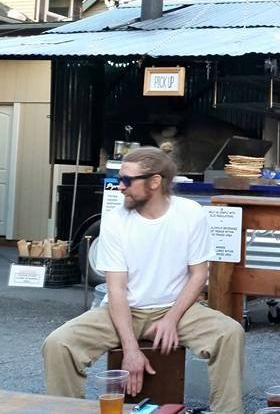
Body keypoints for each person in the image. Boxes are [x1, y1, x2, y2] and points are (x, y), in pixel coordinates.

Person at [42, 147, 245, 413]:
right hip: (124, 309)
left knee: (230, 334)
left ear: (155, 181)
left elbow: (199, 275)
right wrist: (131, 349)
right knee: (58, 344)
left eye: (126, 180)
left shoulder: (190, 213)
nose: (120, 187)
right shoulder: (115, 221)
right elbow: (116, 289)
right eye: (118, 179)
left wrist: (171, 319)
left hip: (176, 309)